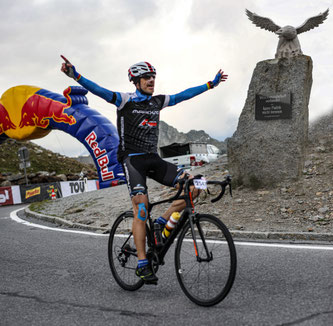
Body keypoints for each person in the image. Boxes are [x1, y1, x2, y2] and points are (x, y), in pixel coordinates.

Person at [61, 57, 228, 283]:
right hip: (132, 161)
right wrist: (76, 76)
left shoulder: (157, 101)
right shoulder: (124, 100)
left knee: (192, 187)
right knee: (141, 208)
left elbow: (184, 95)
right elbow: (99, 91)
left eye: (153, 77)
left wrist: (210, 84)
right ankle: (142, 263)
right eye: (147, 78)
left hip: (153, 159)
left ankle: (161, 222)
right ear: (136, 81)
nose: (151, 81)